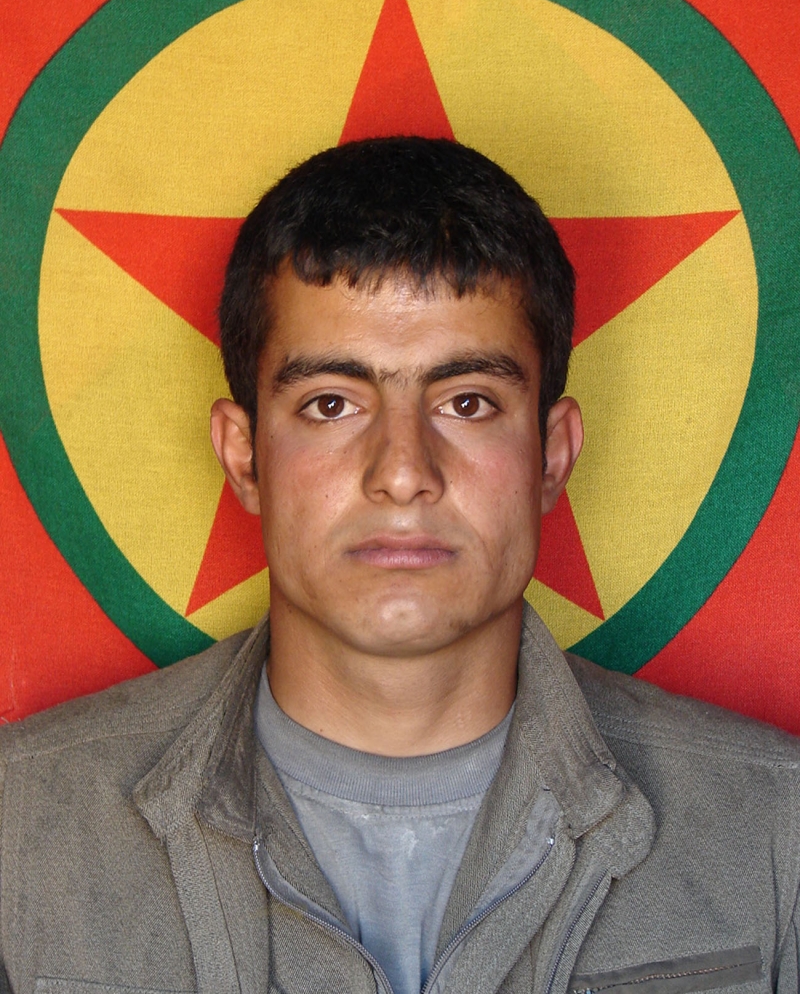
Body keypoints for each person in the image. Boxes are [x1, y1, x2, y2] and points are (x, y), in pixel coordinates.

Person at [0, 137, 798, 994]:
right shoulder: (23, 828)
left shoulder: (774, 834)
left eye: (468, 402)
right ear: (243, 456)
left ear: (553, 455)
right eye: (331, 404)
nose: (405, 472)